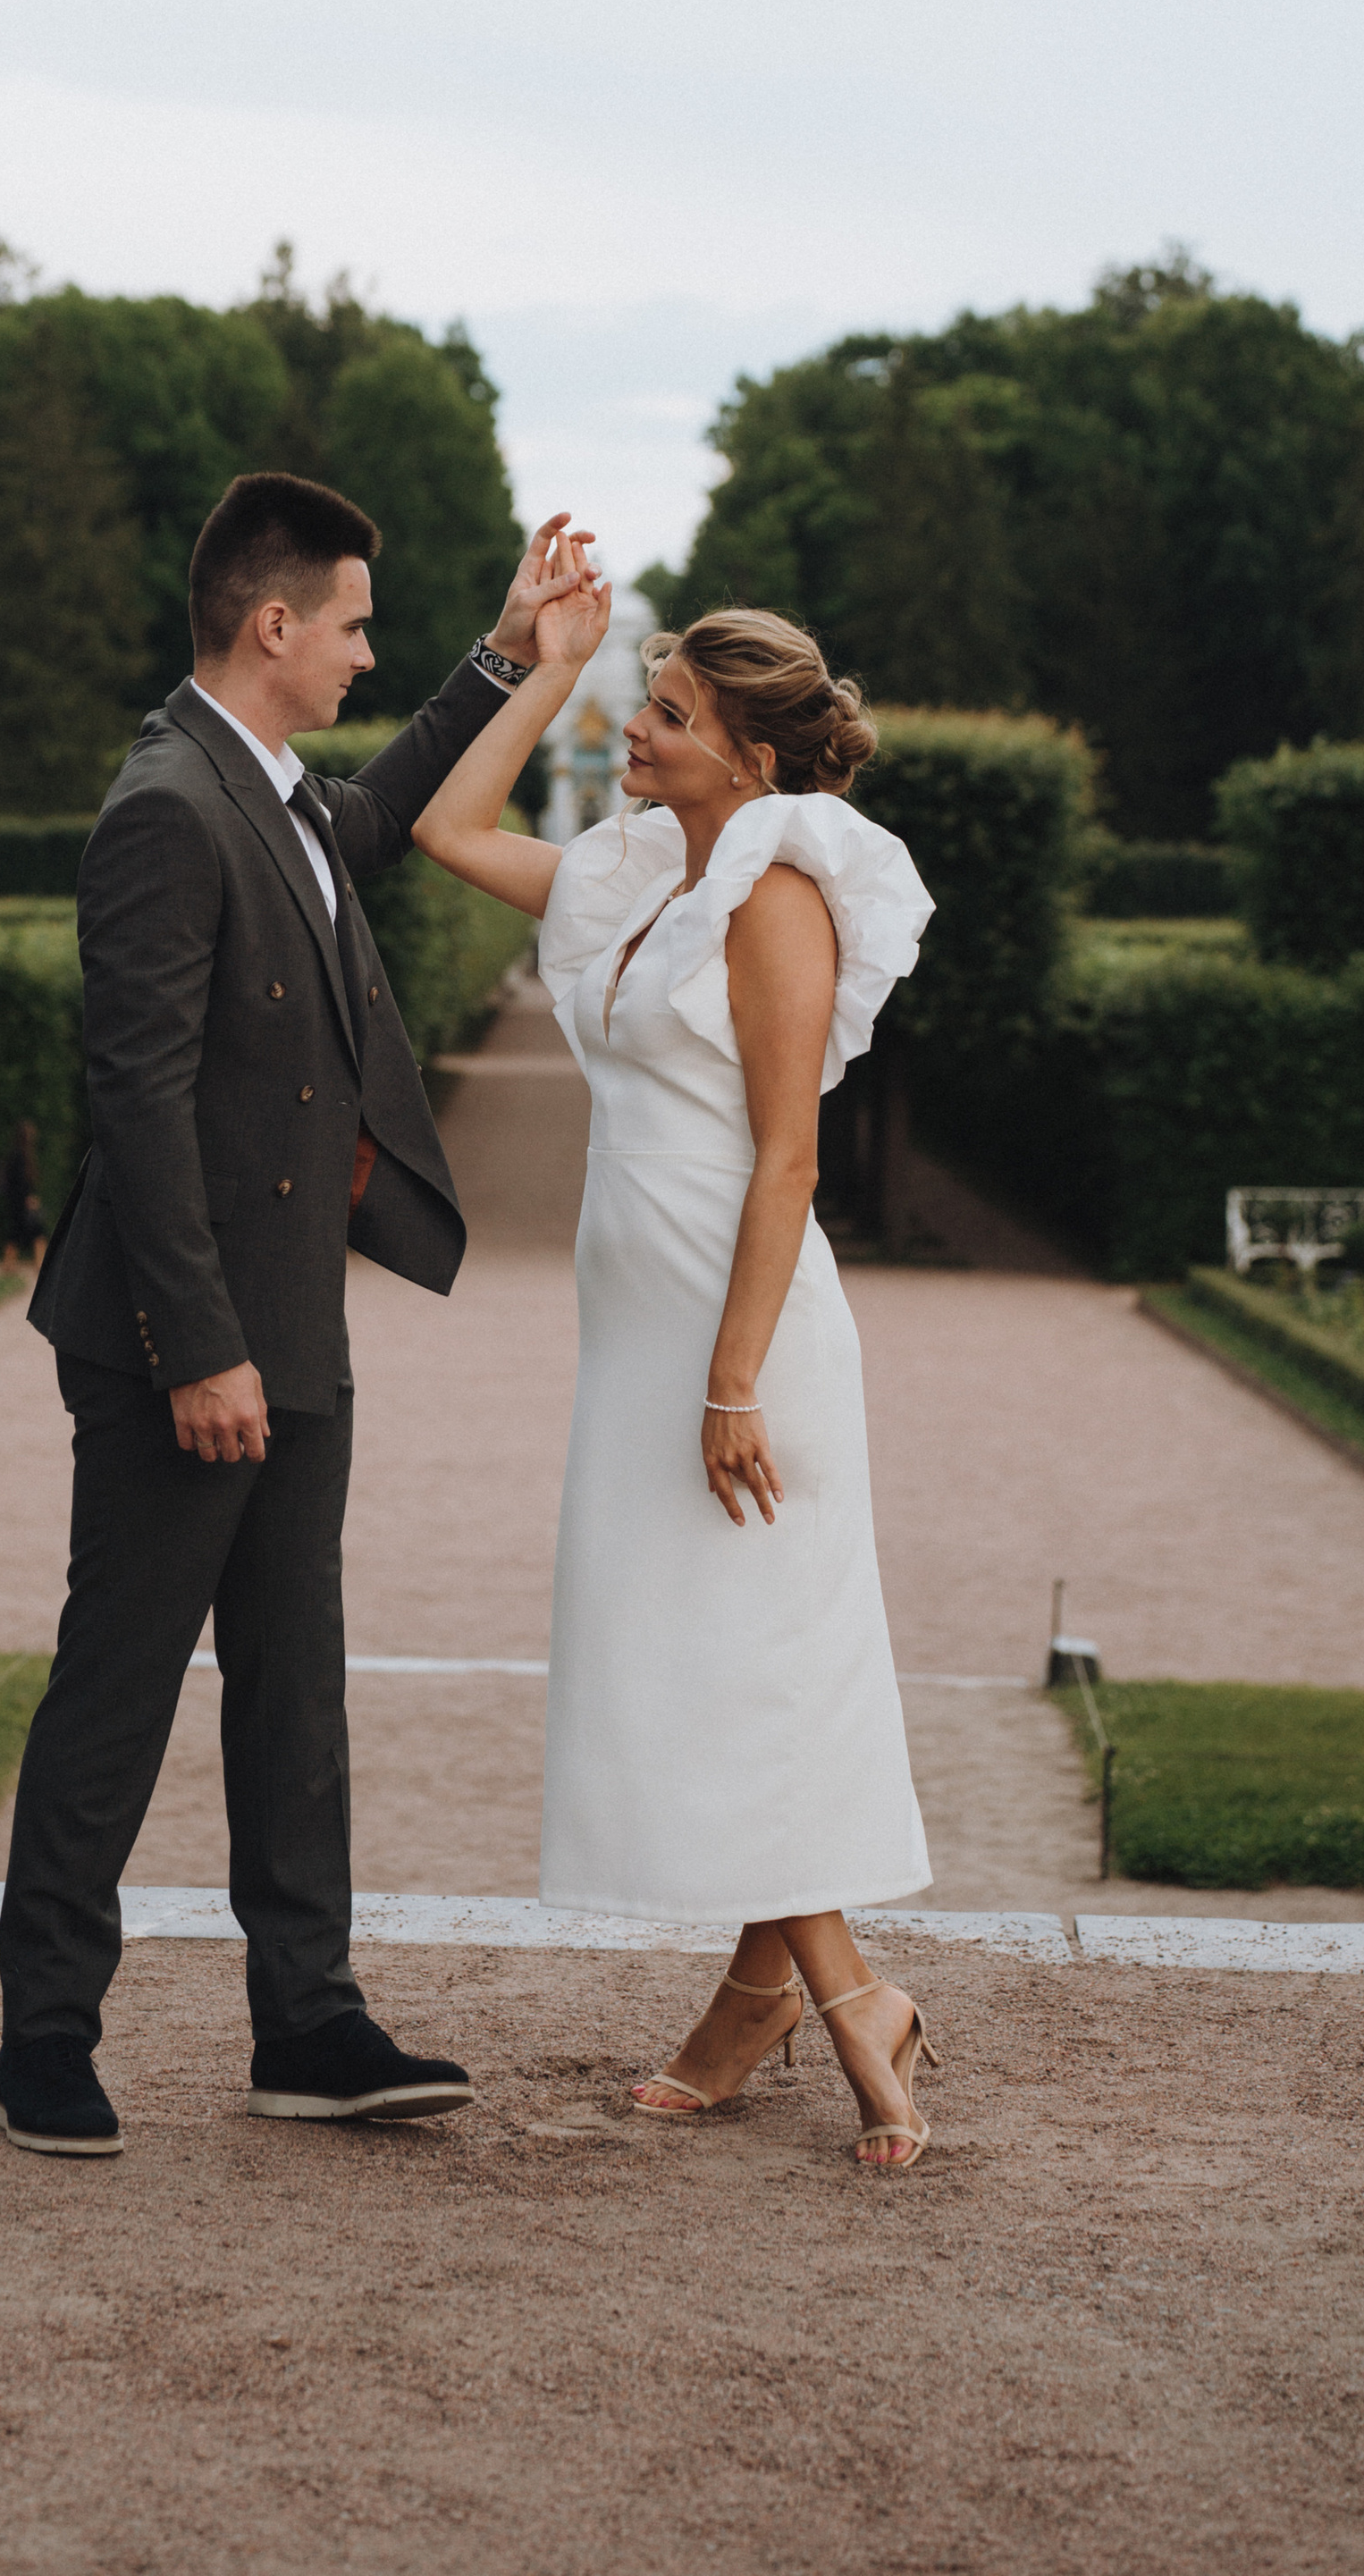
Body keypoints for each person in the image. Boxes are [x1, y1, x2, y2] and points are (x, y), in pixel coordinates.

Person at [0, 474, 594, 2158]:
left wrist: (504, 653)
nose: (362, 652)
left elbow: (378, 816)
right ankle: (44, 2039)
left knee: (294, 1691)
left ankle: (309, 2021)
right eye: (352, 624)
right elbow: (137, 1093)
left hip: (293, 1327)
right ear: (272, 625)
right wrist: (199, 1348)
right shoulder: (168, 808)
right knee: (116, 1691)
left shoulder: (273, 793)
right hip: (180, 1339)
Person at [412, 581, 942, 2168]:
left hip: (745, 1346)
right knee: (711, 1663)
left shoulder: (777, 902)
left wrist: (731, 1379)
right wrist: (542, 664)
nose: (632, 734)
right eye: (637, 707)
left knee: (751, 1668)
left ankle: (845, 2004)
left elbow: (789, 1159)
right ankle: (761, 2000)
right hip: (644, 1348)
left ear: (752, 757)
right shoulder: (636, 877)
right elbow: (445, 828)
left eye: (665, 718)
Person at [0, 1121, 46, 1275]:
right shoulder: (20, 1156)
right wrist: (28, 1199)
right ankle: (40, 1264)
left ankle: (9, 1265)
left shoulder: (16, 1155)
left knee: (16, 1233)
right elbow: (21, 1182)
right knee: (37, 1232)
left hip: (16, 1202)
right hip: (21, 1202)